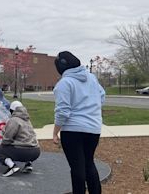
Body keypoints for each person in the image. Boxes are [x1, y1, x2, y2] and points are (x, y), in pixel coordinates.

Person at [52, 51, 105, 194]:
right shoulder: (92, 78)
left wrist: (55, 132)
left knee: (77, 169)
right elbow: (102, 96)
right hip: (93, 129)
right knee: (89, 163)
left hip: (72, 130)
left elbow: (63, 111)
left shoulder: (64, 83)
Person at [0, 101, 40, 177]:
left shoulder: (14, 120)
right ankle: (28, 164)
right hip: (36, 151)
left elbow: (7, 139)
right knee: (25, 143)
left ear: (12, 110)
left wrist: (1, 143)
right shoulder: (27, 119)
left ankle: (12, 167)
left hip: (24, 151)